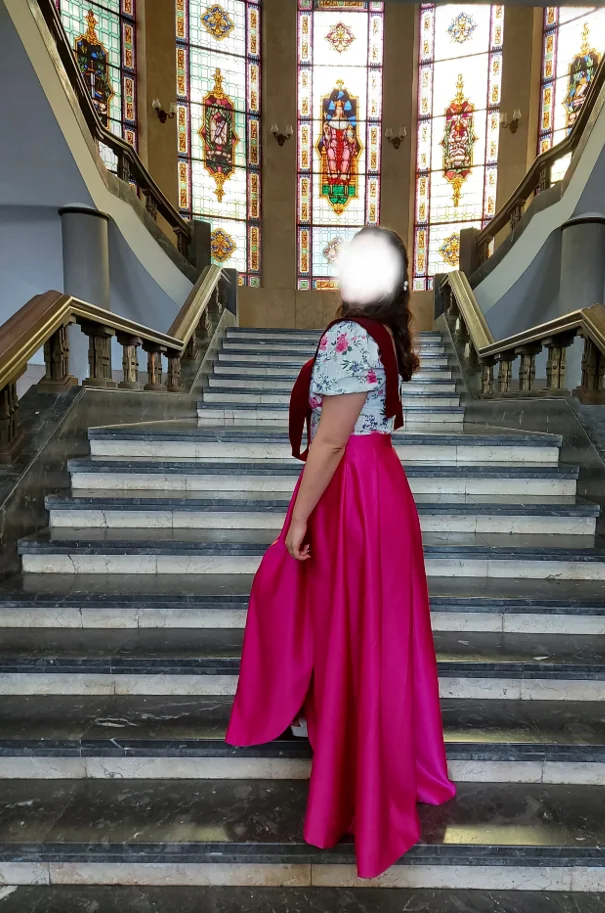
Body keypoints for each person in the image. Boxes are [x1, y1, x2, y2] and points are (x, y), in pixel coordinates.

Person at [226, 227, 455, 879]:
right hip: (374, 487)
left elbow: (329, 441)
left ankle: (353, 779)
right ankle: (348, 740)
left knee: (329, 615)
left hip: (352, 493)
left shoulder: (351, 336)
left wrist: (297, 520)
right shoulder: (378, 336)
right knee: (361, 629)